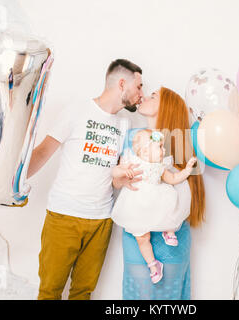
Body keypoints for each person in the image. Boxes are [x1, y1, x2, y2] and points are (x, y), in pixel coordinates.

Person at [27, 59, 144, 300]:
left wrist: (123, 179)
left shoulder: (125, 124)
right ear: (122, 83)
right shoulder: (76, 110)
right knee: (50, 291)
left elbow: (113, 177)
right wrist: (8, 183)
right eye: (139, 86)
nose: (140, 93)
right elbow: (41, 153)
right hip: (63, 217)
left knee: (83, 293)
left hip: (101, 221)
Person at [114, 87, 206, 299]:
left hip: (169, 241)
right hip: (137, 236)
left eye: (153, 95)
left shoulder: (180, 140)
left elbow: (183, 193)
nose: (145, 95)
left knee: (167, 298)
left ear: (166, 107)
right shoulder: (130, 137)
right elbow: (118, 183)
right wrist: (119, 179)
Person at [111, 129, 197, 284]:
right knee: (142, 238)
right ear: (145, 152)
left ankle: (168, 231)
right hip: (137, 204)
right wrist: (123, 171)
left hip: (156, 200)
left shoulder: (161, 166)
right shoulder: (132, 160)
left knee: (169, 201)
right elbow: (115, 171)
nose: (164, 150)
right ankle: (153, 265)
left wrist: (187, 170)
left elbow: (173, 179)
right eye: (160, 147)